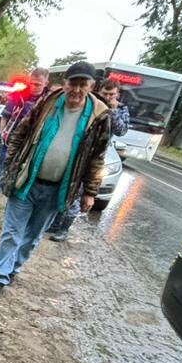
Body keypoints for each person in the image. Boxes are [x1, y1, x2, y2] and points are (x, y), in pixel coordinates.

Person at [0, 61, 112, 295]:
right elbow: (20, 133)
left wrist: (90, 193)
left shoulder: (99, 117)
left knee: (33, 235)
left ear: (91, 86)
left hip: (59, 188)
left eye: (83, 84)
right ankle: (0, 276)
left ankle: (14, 269)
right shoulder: (48, 103)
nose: (76, 89)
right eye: (73, 83)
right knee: (12, 231)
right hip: (27, 180)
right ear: (65, 84)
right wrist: (10, 165)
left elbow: (97, 157)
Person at [46, 78, 130, 242]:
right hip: (76, 150)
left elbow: (121, 131)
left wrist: (112, 110)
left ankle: (64, 228)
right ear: (99, 91)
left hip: (96, 155)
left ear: (117, 94)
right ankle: (53, 224)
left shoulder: (121, 109)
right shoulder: (91, 103)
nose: (108, 96)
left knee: (77, 193)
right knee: (61, 187)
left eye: (112, 94)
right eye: (105, 93)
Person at [0, 68, 49, 222]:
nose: (34, 87)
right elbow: (5, 117)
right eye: (32, 83)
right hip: (10, 144)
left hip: (31, 147)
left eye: (38, 84)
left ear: (46, 83)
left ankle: (12, 217)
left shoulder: (48, 101)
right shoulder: (19, 96)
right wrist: (3, 134)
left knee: (21, 182)